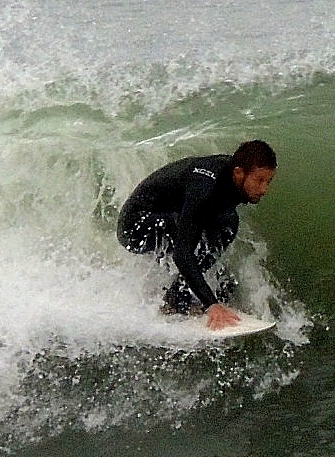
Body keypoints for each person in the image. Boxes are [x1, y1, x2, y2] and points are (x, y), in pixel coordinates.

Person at [117, 140, 277, 330]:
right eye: (259, 180)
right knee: (181, 230)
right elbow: (182, 254)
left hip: (168, 218)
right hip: (134, 227)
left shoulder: (231, 179)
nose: (264, 189)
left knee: (227, 241)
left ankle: (179, 296)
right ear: (238, 173)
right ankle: (175, 304)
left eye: (268, 181)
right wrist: (212, 304)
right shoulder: (204, 186)